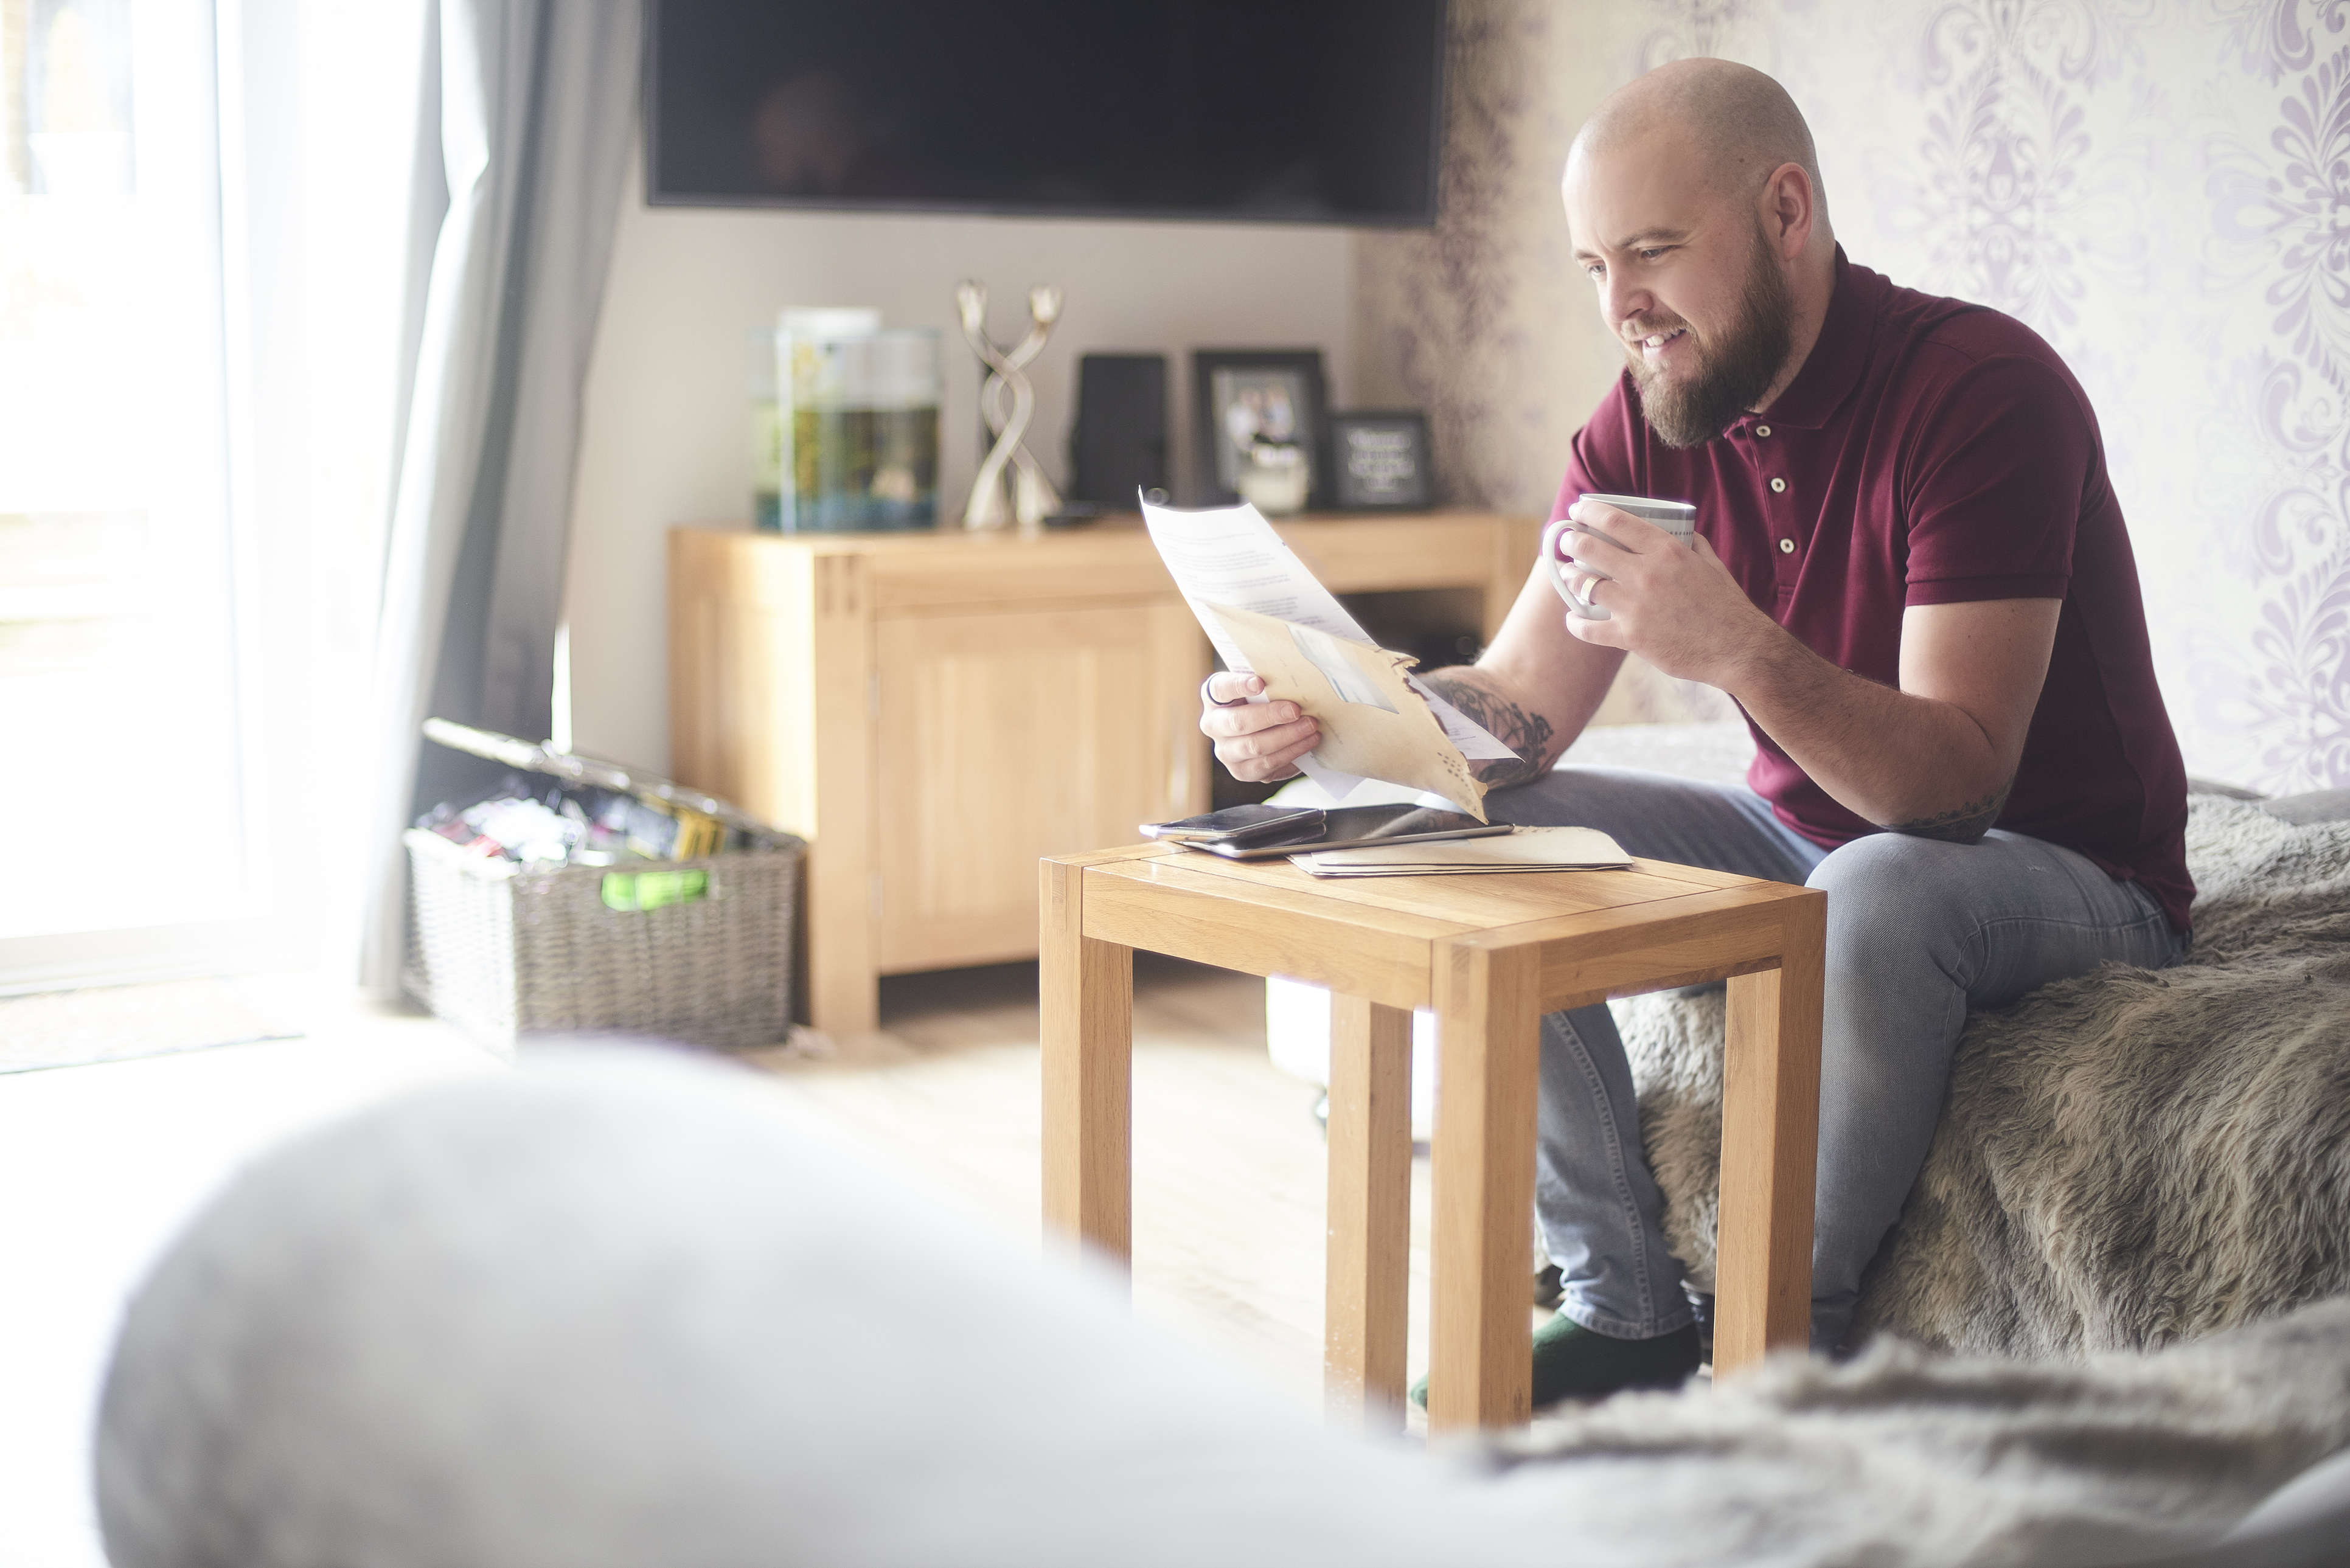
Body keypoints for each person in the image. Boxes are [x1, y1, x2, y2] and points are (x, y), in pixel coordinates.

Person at [1200, 58, 2191, 1407]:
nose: (1622, 305)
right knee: (1462, 825)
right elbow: (1521, 706)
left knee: (1880, 887)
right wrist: (1338, 720)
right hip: (1805, 833)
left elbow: (1957, 789)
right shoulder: (1651, 413)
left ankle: (1779, 1341)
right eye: (1594, 266)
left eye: (1654, 251)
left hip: (2064, 867)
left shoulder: (1983, 392)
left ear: (1786, 211)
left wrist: (1733, 644)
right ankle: (1623, 1302)